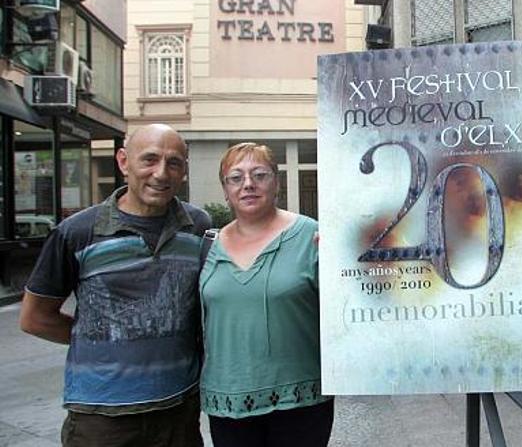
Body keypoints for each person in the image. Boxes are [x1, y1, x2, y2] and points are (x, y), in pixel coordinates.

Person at [19, 124, 211, 447]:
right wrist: (108, 339)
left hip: (178, 410)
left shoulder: (197, 228)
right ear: (124, 162)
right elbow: (34, 318)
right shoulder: (77, 232)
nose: (161, 173)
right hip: (102, 418)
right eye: (149, 159)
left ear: (184, 172)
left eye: (173, 162)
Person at [199, 143, 332, 447]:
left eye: (260, 174)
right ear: (225, 189)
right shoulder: (207, 245)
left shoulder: (311, 237)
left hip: (300, 402)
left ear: (277, 183)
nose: (248, 184)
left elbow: (348, 305)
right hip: (227, 402)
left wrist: (342, 257)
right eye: (236, 177)